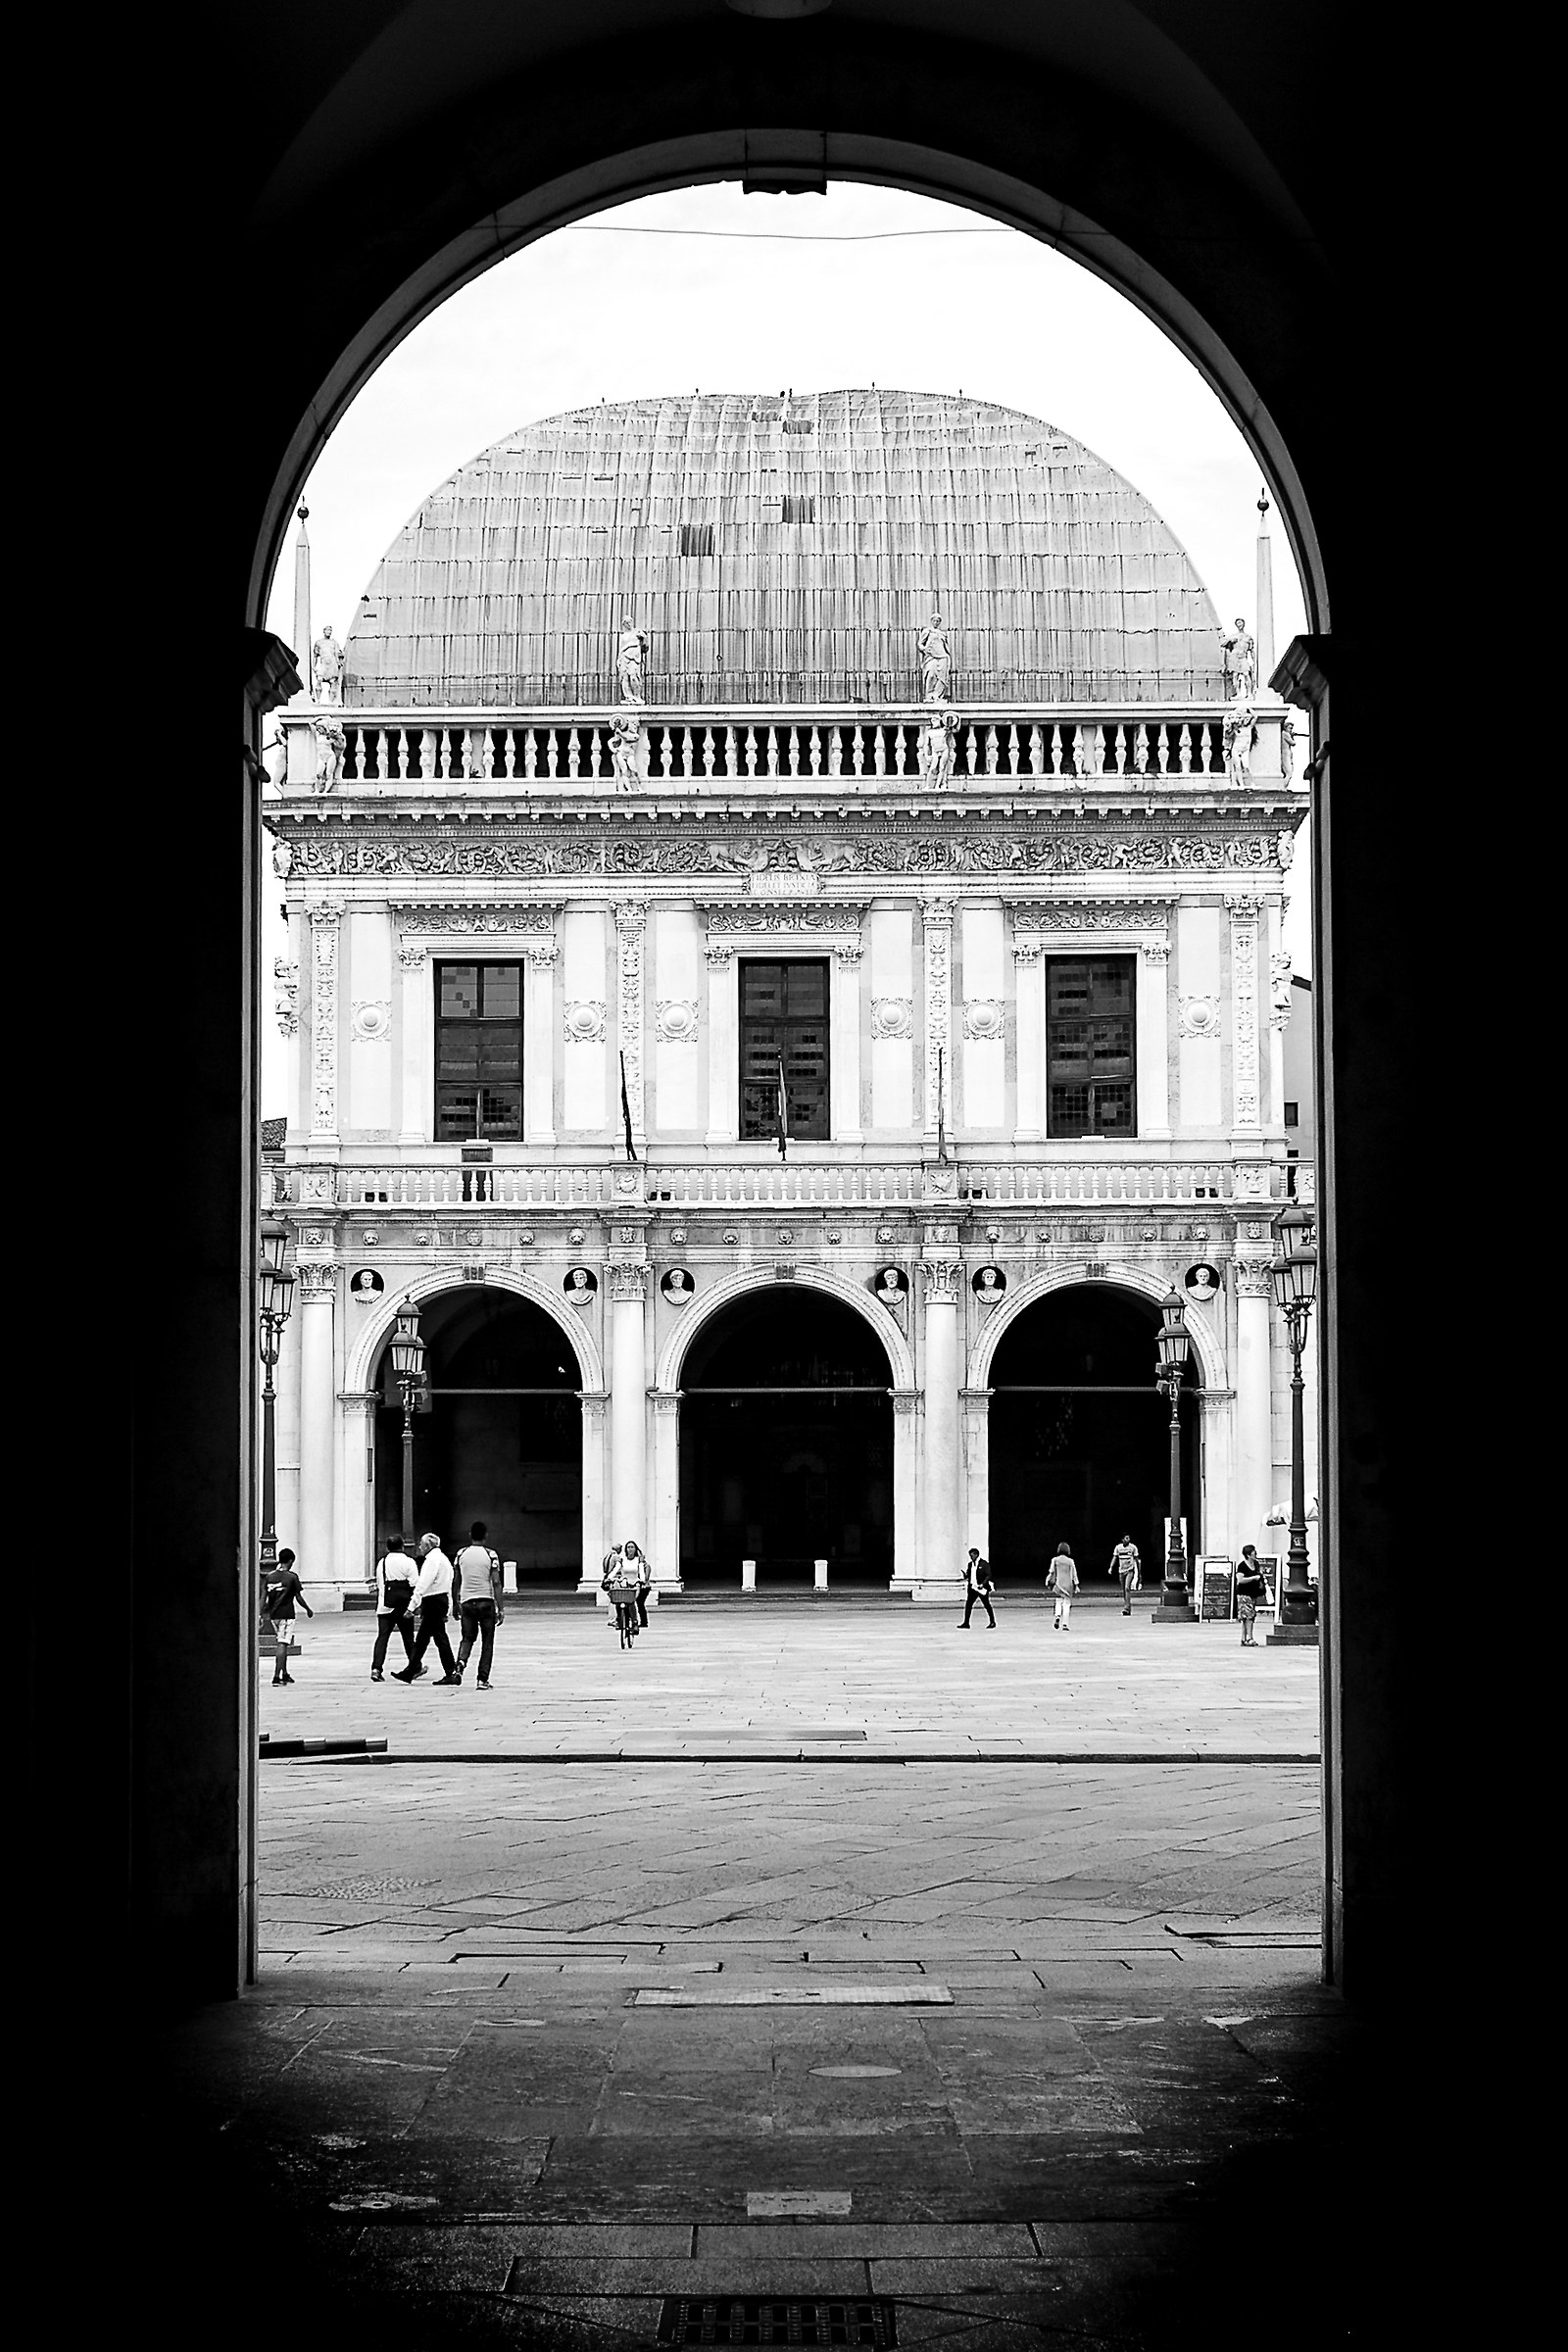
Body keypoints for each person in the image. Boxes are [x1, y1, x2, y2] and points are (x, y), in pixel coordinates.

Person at [393, 1532, 460, 1684]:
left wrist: (411, 1607)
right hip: (440, 1600)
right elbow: (448, 1584)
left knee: (435, 1638)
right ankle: (412, 1670)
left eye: (422, 1544)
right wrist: (448, 1606)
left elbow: (422, 1585)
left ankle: (450, 1671)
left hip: (433, 1601)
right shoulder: (443, 1559)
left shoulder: (431, 1561)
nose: (419, 1547)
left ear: (429, 1546)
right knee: (426, 1638)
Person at [453, 1520, 505, 1689]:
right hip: (486, 1601)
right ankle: (482, 1678)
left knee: (467, 1638)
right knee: (487, 1641)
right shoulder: (491, 1555)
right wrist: (501, 1607)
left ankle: (460, 1664)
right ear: (486, 1536)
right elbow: (496, 1582)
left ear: (470, 1535)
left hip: (467, 1601)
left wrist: (455, 1602)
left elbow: (456, 1580)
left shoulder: (461, 1554)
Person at [263, 1548, 313, 1687]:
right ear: (290, 1561)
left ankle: (284, 1673)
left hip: (274, 1615)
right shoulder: (292, 1577)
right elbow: (298, 1596)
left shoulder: (270, 1577)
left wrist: (261, 1614)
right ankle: (276, 1675)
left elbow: (263, 1597)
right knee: (283, 1643)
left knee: (281, 1641)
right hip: (287, 1614)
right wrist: (308, 1609)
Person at [370, 1535, 416, 1680]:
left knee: (382, 1638)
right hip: (403, 1606)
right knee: (408, 1638)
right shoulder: (409, 1562)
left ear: (387, 1547)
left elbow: (380, 1583)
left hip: (385, 1605)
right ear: (402, 1546)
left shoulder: (382, 1562)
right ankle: (415, 1665)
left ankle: (376, 1669)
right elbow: (415, 1584)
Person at [601, 1542, 642, 1649]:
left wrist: (641, 1580)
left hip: (635, 1584)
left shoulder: (638, 1561)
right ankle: (620, 1619)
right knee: (619, 1600)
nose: (630, 1549)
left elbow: (641, 1572)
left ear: (635, 1549)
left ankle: (634, 1621)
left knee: (631, 1601)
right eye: (628, 1547)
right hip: (624, 1583)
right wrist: (608, 1578)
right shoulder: (622, 1560)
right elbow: (615, 1570)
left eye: (632, 1547)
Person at [1235, 1544, 1266, 1648]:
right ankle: (1249, 1638)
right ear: (1248, 1555)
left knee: (1249, 1617)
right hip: (1244, 1594)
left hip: (1253, 1594)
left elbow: (1260, 1575)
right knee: (1248, 1617)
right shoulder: (1242, 1566)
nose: (1255, 1553)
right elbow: (1240, 1580)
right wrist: (1253, 1578)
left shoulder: (1256, 1564)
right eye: (1253, 1552)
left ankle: (1244, 1638)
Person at [1046, 1539, 1079, 1632]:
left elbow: (1051, 1571)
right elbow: (1074, 1574)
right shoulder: (1070, 1561)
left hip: (1058, 1584)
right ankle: (1065, 1624)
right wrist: (1076, 1585)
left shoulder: (1055, 1560)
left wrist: (1048, 1581)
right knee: (1067, 1604)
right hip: (1068, 1586)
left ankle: (1057, 1616)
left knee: (1058, 1602)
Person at [958, 1548, 996, 1630]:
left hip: (981, 1588)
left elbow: (988, 1575)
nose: (971, 1557)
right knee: (968, 1605)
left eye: (972, 1556)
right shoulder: (970, 1565)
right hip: (972, 1588)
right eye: (970, 1556)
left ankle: (992, 1621)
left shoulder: (984, 1564)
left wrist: (983, 1584)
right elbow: (969, 1575)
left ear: (976, 1555)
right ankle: (966, 1623)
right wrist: (965, 1575)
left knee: (986, 1604)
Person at [1108, 1533, 1141, 1615]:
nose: (1128, 1540)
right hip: (1121, 1571)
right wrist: (1111, 1567)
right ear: (1122, 1539)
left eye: (1128, 1538)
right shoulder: (1118, 1548)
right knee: (1123, 1590)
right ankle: (1127, 1605)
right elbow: (1115, 1557)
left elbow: (1137, 1560)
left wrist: (1139, 1572)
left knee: (1127, 1588)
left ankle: (1126, 1607)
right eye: (1126, 1538)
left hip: (1130, 1570)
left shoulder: (1133, 1547)